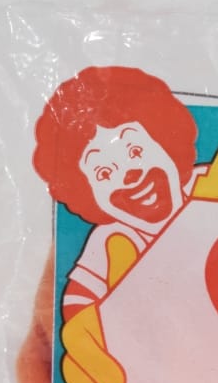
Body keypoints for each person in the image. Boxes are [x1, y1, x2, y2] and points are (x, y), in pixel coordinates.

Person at [33, 66, 201, 320]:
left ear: (167, 144)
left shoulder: (217, 182)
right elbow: (77, 304)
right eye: (104, 172)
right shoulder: (112, 243)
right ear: (88, 195)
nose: (130, 174)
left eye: (135, 152)